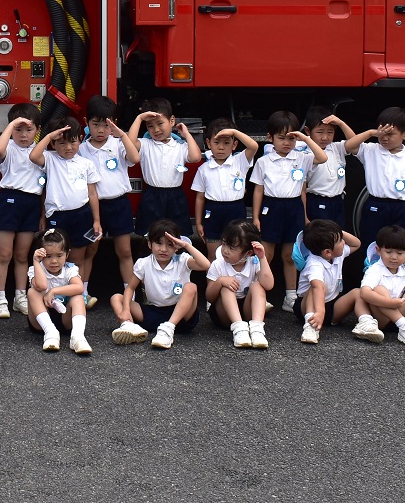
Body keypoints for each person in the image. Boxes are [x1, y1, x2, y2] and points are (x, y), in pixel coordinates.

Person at [252, 110, 328, 312]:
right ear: (270, 138)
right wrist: (256, 217)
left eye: (291, 138)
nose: (286, 143)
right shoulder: (263, 161)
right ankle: (259, 293)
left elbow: (322, 157)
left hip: (294, 208)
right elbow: (258, 190)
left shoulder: (302, 158)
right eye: (281, 138)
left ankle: (291, 295)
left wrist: (305, 139)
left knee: (290, 255)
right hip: (272, 207)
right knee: (266, 254)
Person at [31, 116, 102, 307]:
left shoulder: (86, 164)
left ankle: (81, 293)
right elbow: (34, 156)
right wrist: (49, 136)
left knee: (78, 258)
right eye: (62, 143)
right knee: (53, 256)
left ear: (80, 139)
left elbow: (92, 194)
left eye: (73, 141)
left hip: (82, 215)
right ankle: (53, 292)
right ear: (53, 144)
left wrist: (96, 220)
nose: (68, 147)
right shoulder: (50, 159)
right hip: (57, 216)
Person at [110, 219, 210, 350]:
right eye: (159, 243)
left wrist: (186, 245)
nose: (164, 249)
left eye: (170, 244)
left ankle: (168, 328)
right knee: (116, 298)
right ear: (150, 244)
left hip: (181, 315)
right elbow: (130, 288)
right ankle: (128, 326)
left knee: (191, 287)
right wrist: (126, 310)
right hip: (153, 311)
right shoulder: (143, 263)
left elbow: (205, 265)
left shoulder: (182, 259)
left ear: (177, 246)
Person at [79, 95, 141, 294]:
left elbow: (134, 158)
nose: (100, 130)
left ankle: (129, 294)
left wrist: (122, 135)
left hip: (118, 204)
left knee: (124, 251)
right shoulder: (81, 149)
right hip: (91, 207)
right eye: (95, 124)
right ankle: (82, 292)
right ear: (86, 122)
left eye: (106, 125)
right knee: (90, 250)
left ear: (113, 123)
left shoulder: (118, 144)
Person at [0, 102, 45, 319]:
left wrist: (42, 214)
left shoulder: (40, 153)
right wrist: (12, 124)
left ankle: (20, 296)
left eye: (28, 130)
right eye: (18, 129)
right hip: (9, 201)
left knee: (23, 255)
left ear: (38, 130)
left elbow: (45, 187)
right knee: (4, 254)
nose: (23, 135)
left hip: (32, 203)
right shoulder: (8, 149)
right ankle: (0, 298)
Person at [344, 107, 405, 244]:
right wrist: (370, 133)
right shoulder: (371, 150)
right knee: (371, 242)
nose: (384, 138)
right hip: (375, 204)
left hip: (400, 208)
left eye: (390, 134)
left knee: (398, 244)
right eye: (381, 132)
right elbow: (350, 145)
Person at [351, 225, 405, 346]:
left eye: (399, 253)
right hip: (382, 319)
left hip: (404, 315)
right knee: (379, 289)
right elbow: (364, 292)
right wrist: (390, 303)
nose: (394, 257)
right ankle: (404, 326)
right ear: (378, 250)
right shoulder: (374, 270)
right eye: (388, 252)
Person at [129, 99, 202, 237]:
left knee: (178, 235)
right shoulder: (146, 145)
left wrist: (186, 134)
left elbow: (196, 157)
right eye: (150, 126)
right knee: (150, 235)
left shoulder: (180, 146)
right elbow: (130, 143)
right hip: (151, 195)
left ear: (172, 121)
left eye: (160, 123)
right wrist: (139, 118)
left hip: (176, 196)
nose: (156, 130)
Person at [192, 118, 259, 259]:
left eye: (226, 143)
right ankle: (213, 275)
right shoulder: (203, 169)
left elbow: (253, 146)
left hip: (235, 209)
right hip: (212, 211)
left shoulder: (240, 161)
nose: (221, 147)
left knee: (237, 252)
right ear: (208, 143)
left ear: (234, 145)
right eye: (216, 142)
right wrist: (198, 222)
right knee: (213, 255)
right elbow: (200, 197)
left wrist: (234, 132)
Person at [204, 219, 273, 349]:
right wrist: (220, 282)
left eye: (231, 248)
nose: (225, 250)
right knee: (226, 288)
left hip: (246, 310)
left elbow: (268, 285)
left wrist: (262, 258)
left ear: (248, 253)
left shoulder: (254, 262)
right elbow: (209, 297)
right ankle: (239, 329)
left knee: (257, 286)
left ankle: (257, 329)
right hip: (224, 314)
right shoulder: (218, 264)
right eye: (224, 244)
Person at [292, 219, 361, 344]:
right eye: (340, 241)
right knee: (315, 287)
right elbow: (318, 287)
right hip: (307, 307)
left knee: (358, 292)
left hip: (330, 305)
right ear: (327, 252)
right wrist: (320, 312)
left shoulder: (337, 254)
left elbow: (356, 244)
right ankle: (310, 326)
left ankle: (365, 322)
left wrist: (335, 232)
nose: (344, 242)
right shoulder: (314, 263)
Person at [26, 228, 90, 355]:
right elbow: (42, 285)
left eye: (59, 255)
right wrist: (36, 261)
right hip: (41, 321)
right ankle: (50, 332)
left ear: (67, 254)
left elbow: (79, 287)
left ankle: (77, 337)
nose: (54, 261)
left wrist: (54, 291)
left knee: (78, 297)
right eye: (48, 256)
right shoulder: (35, 269)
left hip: (65, 318)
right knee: (32, 292)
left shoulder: (70, 269)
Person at [302, 107, 355, 227]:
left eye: (330, 132)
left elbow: (355, 142)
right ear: (308, 131)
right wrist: (304, 215)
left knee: (338, 233)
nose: (325, 137)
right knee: (320, 235)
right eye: (320, 132)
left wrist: (341, 123)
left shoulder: (337, 148)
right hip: (317, 201)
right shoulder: (305, 154)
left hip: (338, 201)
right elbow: (302, 189)